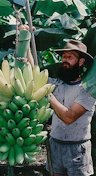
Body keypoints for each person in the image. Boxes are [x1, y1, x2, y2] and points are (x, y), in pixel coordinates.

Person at [47, 39, 96, 176]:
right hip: (55, 145)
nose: (65, 60)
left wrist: (48, 95)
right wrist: (25, 39)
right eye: (64, 56)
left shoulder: (88, 90)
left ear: (81, 62)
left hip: (77, 150)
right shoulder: (56, 84)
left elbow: (69, 117)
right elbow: (32, 71)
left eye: (70, 57)